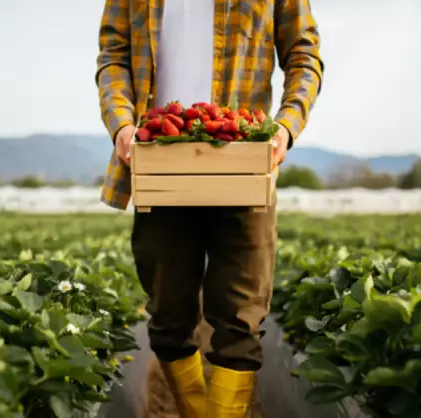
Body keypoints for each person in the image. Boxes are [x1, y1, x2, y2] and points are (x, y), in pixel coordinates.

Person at [95, 1, 323, 416]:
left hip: (243, 159)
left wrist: (286, 128)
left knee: (240, 319)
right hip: (159, 160)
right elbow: (113, 53)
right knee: (167, 317)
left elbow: (304, 56)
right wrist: (122, 124)